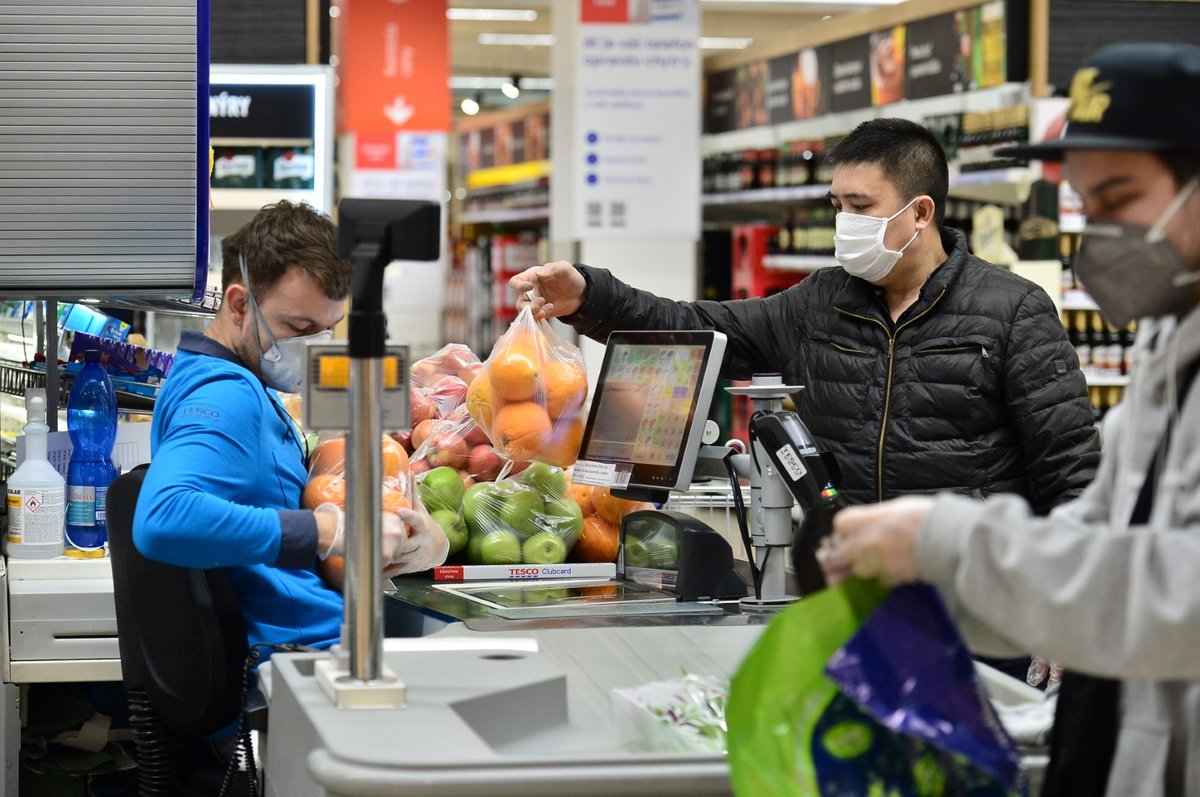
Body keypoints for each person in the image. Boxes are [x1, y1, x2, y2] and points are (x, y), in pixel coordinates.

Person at [824, 43, 1200, 795]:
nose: (1099, 235)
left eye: (1120, 199)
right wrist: (925, 578)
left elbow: (1180, 594)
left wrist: (949, 541)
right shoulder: (1168, 342)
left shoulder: (1018, 312)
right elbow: (1093, 544)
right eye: (1087, 208)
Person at [514, 118, 1099, 515]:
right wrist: (590, 296)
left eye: (862, 207)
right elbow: (698, 324)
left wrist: (1071, 606)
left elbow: (1070, 467)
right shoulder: (820, 302)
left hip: (976, 589)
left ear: (921, 212)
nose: (845, 222)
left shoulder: (1012, 311)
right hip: (853, 582)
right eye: (838, 205)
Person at [134, 200, 441, 655]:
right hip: (300, 657)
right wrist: (324, 530)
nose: (311, 346)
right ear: (239, 304)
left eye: (327, 329)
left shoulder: (235, 380)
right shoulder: (225, 394)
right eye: (298, 326)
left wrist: (428, 541)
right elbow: (162, 518)